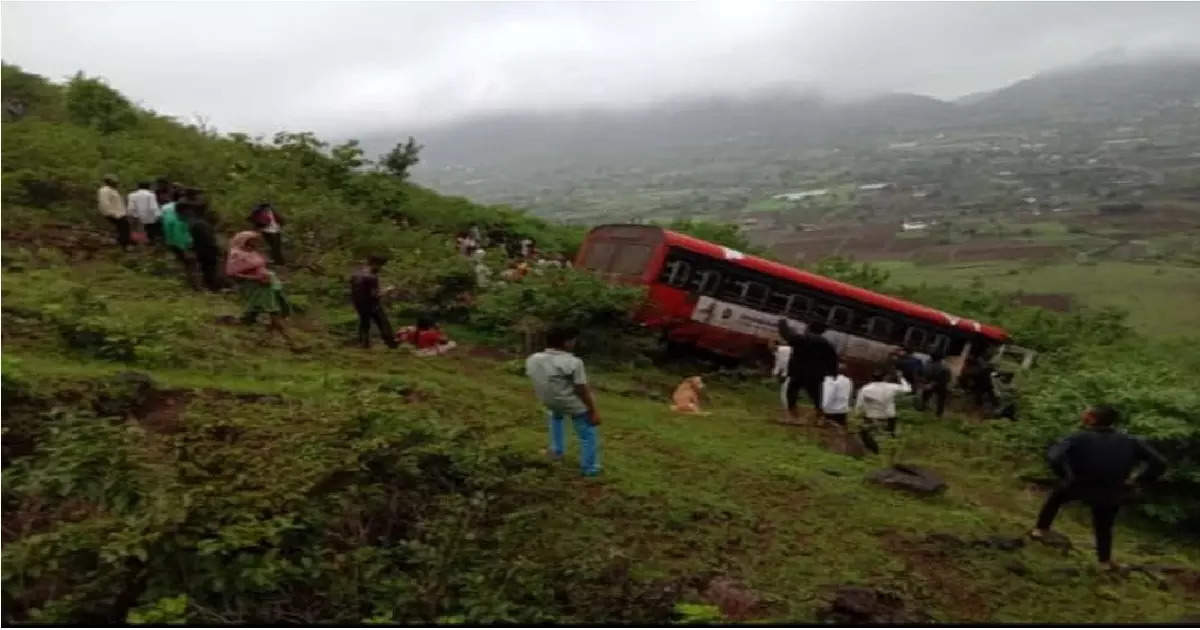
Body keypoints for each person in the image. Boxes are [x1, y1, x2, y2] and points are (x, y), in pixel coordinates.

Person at [1030, 405, 1166, 569]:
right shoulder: (1131, 441)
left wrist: (1066, 475)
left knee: (1056, 497)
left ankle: (1040, 530)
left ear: (1092, 419)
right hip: (1112, 489)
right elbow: (1159, 463)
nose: (1082, 414)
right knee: (1104, 525)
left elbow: (1054, 457)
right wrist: (1138, 480)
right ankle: (1104, 561)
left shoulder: (1078, 438)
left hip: (1080, 484)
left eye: (1086, 413)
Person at [525, 326, 601, 476]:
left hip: (549, 401)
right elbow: (582, 389)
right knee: (588, 433)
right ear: (567, 343)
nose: (574, 343)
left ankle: (556, 450)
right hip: (570, 404)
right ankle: (589, 468)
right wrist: (593, 411)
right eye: (573, 340)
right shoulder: (573, 362)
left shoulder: (533, 359)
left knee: (556, 417)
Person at [225, 231, 292, 344]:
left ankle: (264, 339)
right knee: (274, 311)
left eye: (256, 240)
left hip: (268, 284)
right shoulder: (237, 254)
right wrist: (254, 278)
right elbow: (232, 273)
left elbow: (261, 266)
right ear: (244, 240)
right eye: (252, 240)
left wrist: (268, 275)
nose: (255, 242)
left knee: (256, 315)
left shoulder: (253, 252)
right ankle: (292, 343)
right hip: (255, 286)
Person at [777, 319, 839, 423]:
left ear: (809, 328)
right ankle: (820, 416)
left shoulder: (802, 338)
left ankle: (793, 416)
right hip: (816, 374)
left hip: (798, 372)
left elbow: (788, 336)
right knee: (816, 395)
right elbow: (833, 360)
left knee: (792, 392)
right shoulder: (827, 344)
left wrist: (782, 324)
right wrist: (833, 374)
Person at [854, 369, 912, 453]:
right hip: (889, 416)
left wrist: (858, 414)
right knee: (890, 435)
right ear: (884, 378)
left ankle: (875, 451)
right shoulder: (891, 387)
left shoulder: (865, 388)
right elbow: (907, 389)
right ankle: (891, 452)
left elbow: (859, 406)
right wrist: (901, 378)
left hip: (872, 417)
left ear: (872, 378)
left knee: (865, 434)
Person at [350, 256, 398, 349]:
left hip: (359, 304)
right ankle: (392, 344)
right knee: (383, 323)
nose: (380, 269)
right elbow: (375, 295)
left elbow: (354, 291)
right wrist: (388, 290)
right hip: (372, 305)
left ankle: (364, 344)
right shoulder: (372, 277)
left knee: (364, 323)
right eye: (380, 266)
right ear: (374, 264)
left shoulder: (355, 274)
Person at [181, 198, 222, 292]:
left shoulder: (197, 223)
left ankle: (211, 288)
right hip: (207, 252)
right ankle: (213, 289)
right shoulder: (201, 223)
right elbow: (208, 239)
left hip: (204, 252)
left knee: (208, 271)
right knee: (210, 271)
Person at [160, 190, 197, 289]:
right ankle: (192, 284)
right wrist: (186, 249)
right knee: (190, 263)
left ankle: (184, 279)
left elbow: (164, 224)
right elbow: (180, 235)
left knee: (181, 261)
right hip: (181, 243)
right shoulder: (179, 219)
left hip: (170, 240)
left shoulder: (167, 211)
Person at [97, 175, 130, 250]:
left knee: (122, 228)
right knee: (124, 227)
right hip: (114, 214)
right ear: (109, 182)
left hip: (119, 213)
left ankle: (120, 244)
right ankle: (124, 246)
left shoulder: (113, 190)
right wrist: (113, 214)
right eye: (114, 182)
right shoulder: (104, 190)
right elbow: (104, 203)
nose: (116, 183)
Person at [821, 362, 854, 427]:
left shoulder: (833, 381)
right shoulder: (849, 381)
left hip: (832, 411)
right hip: (843, 411)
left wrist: (824, 408)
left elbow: (829, 396)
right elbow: (850, 396)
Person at [921, 352, 952, 417]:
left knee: (925, 397)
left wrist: (928, 384)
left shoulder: (928, 364)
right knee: (940, 400)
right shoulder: (944, 366)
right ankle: (938, 414)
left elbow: (925, 374)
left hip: (934, 384)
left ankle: (923, 409)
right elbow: (947, 378)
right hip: (939, 385)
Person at [772, 339, 793, 411]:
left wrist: (775, 373)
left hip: (787, 374)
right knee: (786, 392)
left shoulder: (783, 350)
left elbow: (779, 363)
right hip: (787, 374)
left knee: (784, 392)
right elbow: (778, 363)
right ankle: (788, 408)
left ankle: (788, 409)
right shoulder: (779, 352)